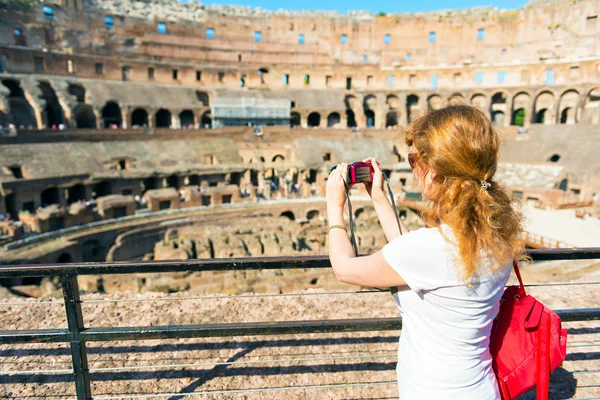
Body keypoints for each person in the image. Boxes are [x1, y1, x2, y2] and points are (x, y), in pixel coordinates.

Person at [326, 105, 524, 399]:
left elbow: (345, 268)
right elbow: (413, 258)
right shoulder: (494, 237)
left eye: (413, 159)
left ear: (433, 174)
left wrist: (334, 206)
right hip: (480, 388)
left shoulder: (433, 248)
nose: (412, 167)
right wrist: (380, 198)